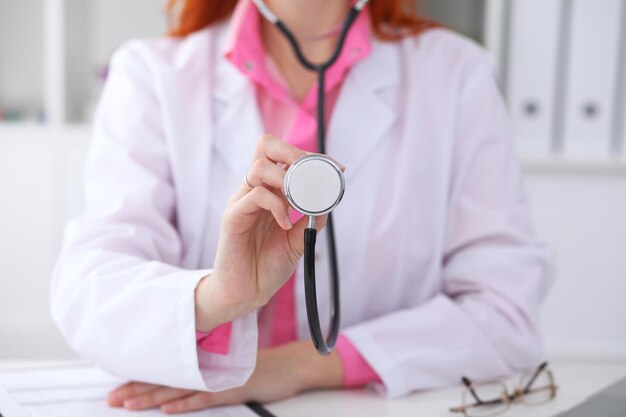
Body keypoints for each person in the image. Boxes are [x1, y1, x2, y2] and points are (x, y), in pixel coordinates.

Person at [50, 0, 553, 414]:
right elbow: (91, 289)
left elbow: (505, 311)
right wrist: (214, 298)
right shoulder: (152, 75)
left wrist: (297, 367)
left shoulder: (456, 73)